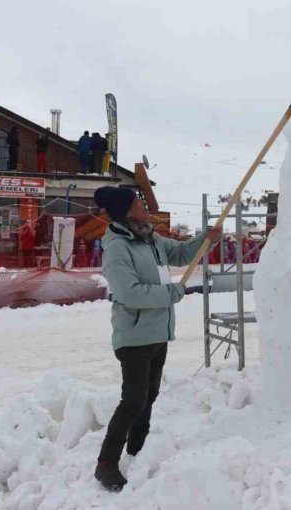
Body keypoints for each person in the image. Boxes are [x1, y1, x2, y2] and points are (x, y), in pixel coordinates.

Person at [92, 186, 221, 492]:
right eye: (139, 202)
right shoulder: (118, 248)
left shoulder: (149, 238)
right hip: (134, 337)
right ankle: (106, 463)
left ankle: (137, 450)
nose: (144, 205)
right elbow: (129, 293)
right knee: (133, 400)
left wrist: (205, 239)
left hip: (157, 333)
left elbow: (180, 252)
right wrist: (170, 294)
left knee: (148, 396)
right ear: (126, 211)